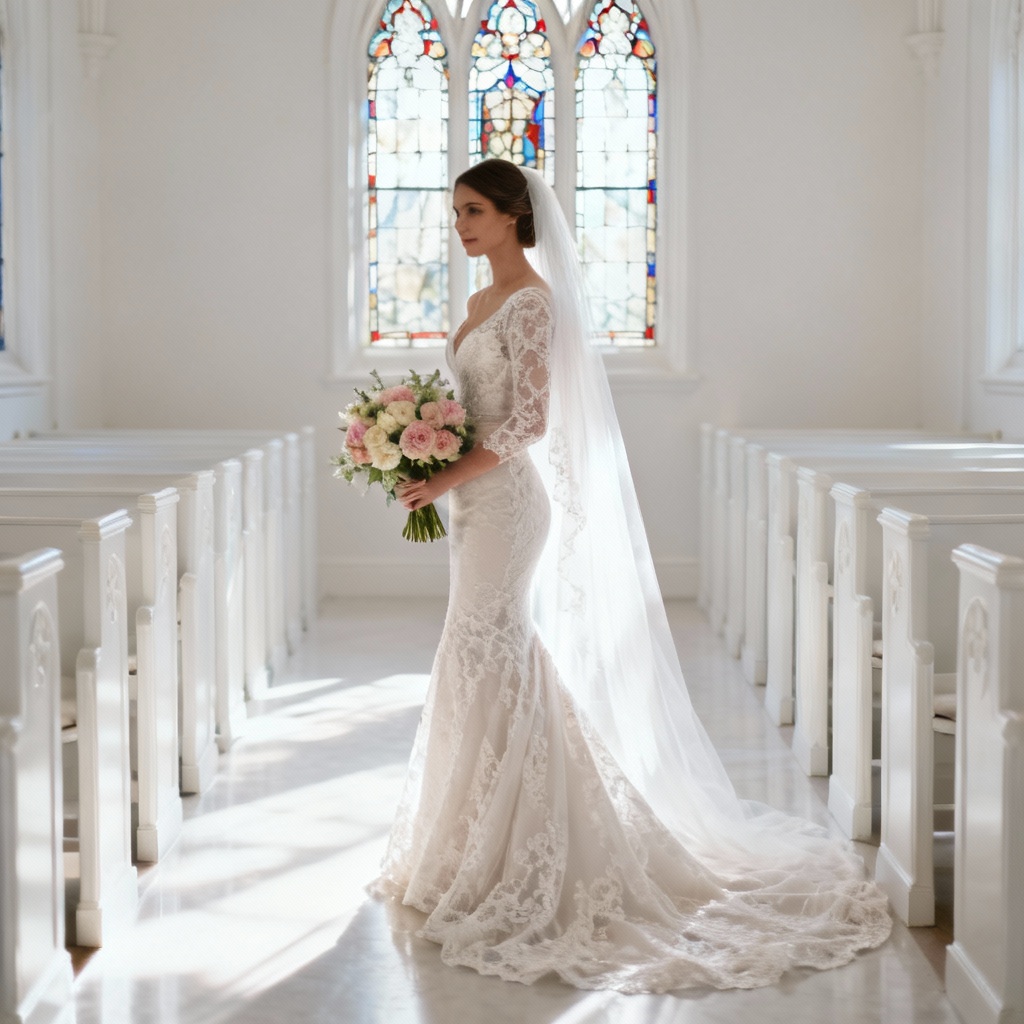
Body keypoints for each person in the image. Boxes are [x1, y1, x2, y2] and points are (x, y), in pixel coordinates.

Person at [377, 158, 891, 993]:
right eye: (457, 212)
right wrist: (416, 449)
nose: (461, 225)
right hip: (470, 505)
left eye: (474, 211)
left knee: (491, 648)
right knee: (478, 653)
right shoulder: (475, 303)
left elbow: (531, 423)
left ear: (513, 215)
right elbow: (472, 411)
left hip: (506, 507)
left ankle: (530, 849)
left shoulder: (533, 303)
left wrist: (442, 473)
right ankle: (471, 842)